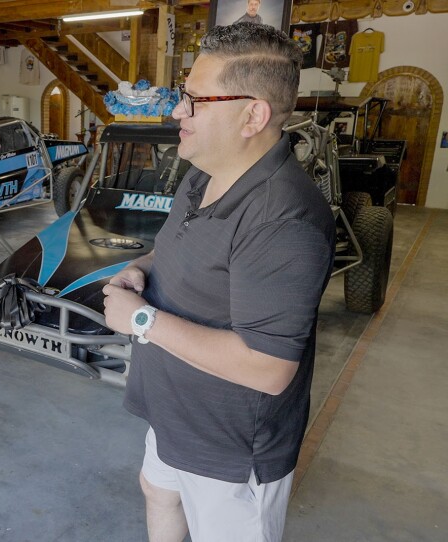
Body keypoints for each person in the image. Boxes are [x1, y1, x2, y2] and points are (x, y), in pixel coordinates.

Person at [102, 23, 335, 542]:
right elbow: (179, 243)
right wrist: (145, 267)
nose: (177, 112)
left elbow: (269, 367)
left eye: (195, 101)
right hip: (175, 413)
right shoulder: (203, 171)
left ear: (253, 115)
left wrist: (141, 320)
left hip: (229, 445)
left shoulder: (284, 221)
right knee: (159, 490)